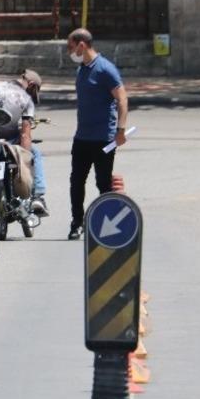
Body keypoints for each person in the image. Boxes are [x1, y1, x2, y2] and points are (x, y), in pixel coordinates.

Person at [66, 28, 129, 240]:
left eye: (71, 47)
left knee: (103, 183)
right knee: (76, 181)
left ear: (82, 45)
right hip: (82, 136)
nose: (70, 52)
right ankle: (77, 222)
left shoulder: (105, 69)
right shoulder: (82, 69)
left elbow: (122, 99)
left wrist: (120, 130)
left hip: (104, 138)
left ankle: (106, 225)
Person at [0, 69, 49, 215]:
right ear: (31, 84)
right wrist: (25, 159)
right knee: (36, 153)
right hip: (8, 143)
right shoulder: (26, 100)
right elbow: (25, 135)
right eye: (34, 92)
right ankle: (38, 196)